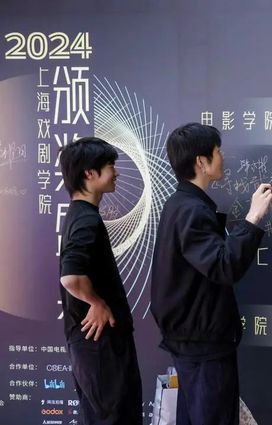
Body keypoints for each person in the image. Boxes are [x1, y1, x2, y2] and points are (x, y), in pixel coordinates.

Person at [151, 123, 272, 425]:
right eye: (218, 151)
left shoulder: (180, 204)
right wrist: (253, 217)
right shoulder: (192, 211)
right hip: (202, 346)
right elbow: (223, 266)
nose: (223, 157)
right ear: (201, 162)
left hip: (194, 341)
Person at [58, 137, 142, 424]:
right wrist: (97, 303)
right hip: (101, 347)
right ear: (89, 174)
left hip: (93, 347)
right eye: (110, 166)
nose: (116, 173)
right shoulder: (86, 220)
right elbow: (71, 276)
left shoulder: (80, 214)